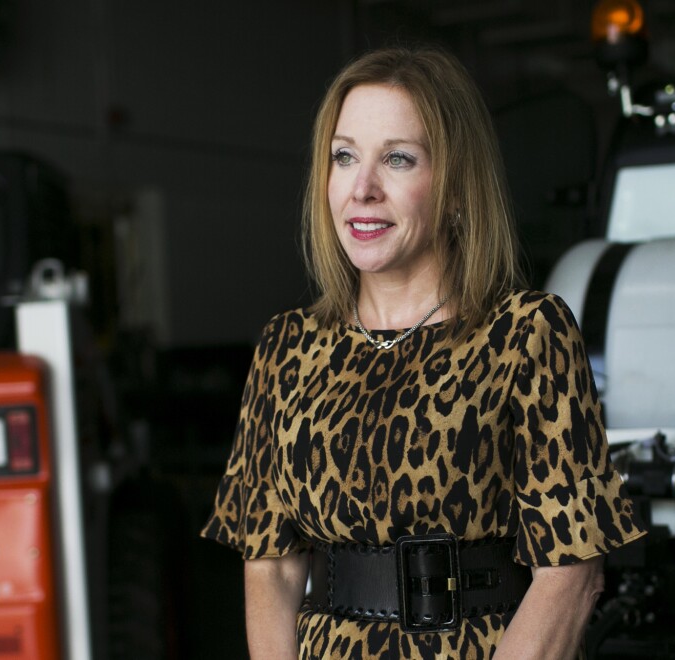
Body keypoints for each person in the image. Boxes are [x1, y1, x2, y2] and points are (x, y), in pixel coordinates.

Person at [201, 45, 646, 659]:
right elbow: (271, 568)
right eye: (344, 157)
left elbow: (570, 574)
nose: (363, 189)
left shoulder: (525, 334)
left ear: (457, 187)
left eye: (398, 160)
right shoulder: (287, 347)